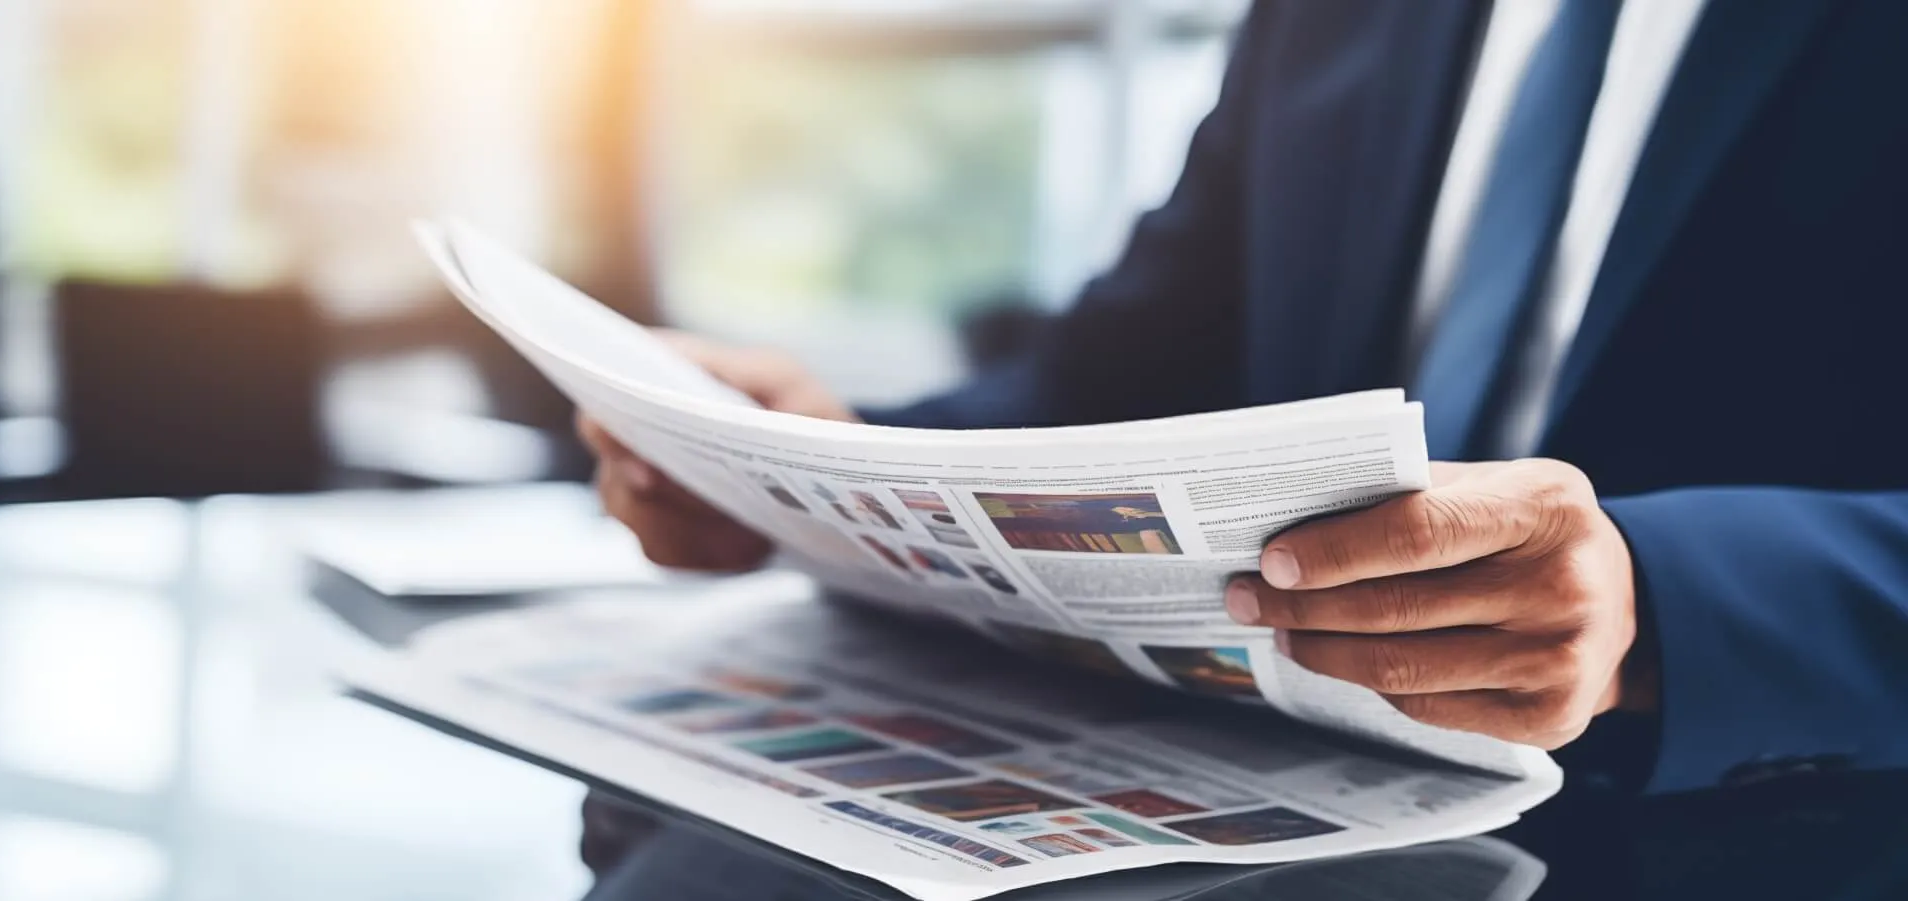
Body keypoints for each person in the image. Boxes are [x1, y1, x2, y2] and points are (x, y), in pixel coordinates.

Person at [578, 0, 1908, 795]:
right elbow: (1140, 366)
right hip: (1296, 792)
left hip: (1768, 812)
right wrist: (825, 463)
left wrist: (1663, 607)